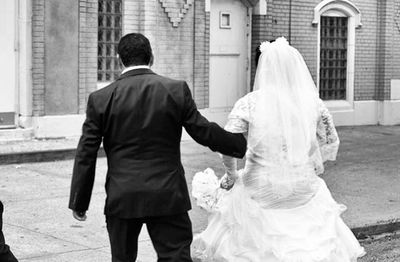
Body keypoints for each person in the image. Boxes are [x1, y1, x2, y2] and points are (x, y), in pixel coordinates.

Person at [68, 33, 247, 262]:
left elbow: (86, 152)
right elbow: (203, 131)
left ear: (119, 59)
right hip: (168, 194)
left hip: (123, 197)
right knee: (176, 258)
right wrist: (240, 144)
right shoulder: (175, 90)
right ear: (152, 57)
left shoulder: (101, 98)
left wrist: (79, 202)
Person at [191, 37, 366, 261]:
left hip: (260, 188)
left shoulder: (250, 103)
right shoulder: (313, 102)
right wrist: (303, 158)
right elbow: (329, 140)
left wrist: (232, 174)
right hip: (304, 188)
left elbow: (228, 144)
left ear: (260, 68)